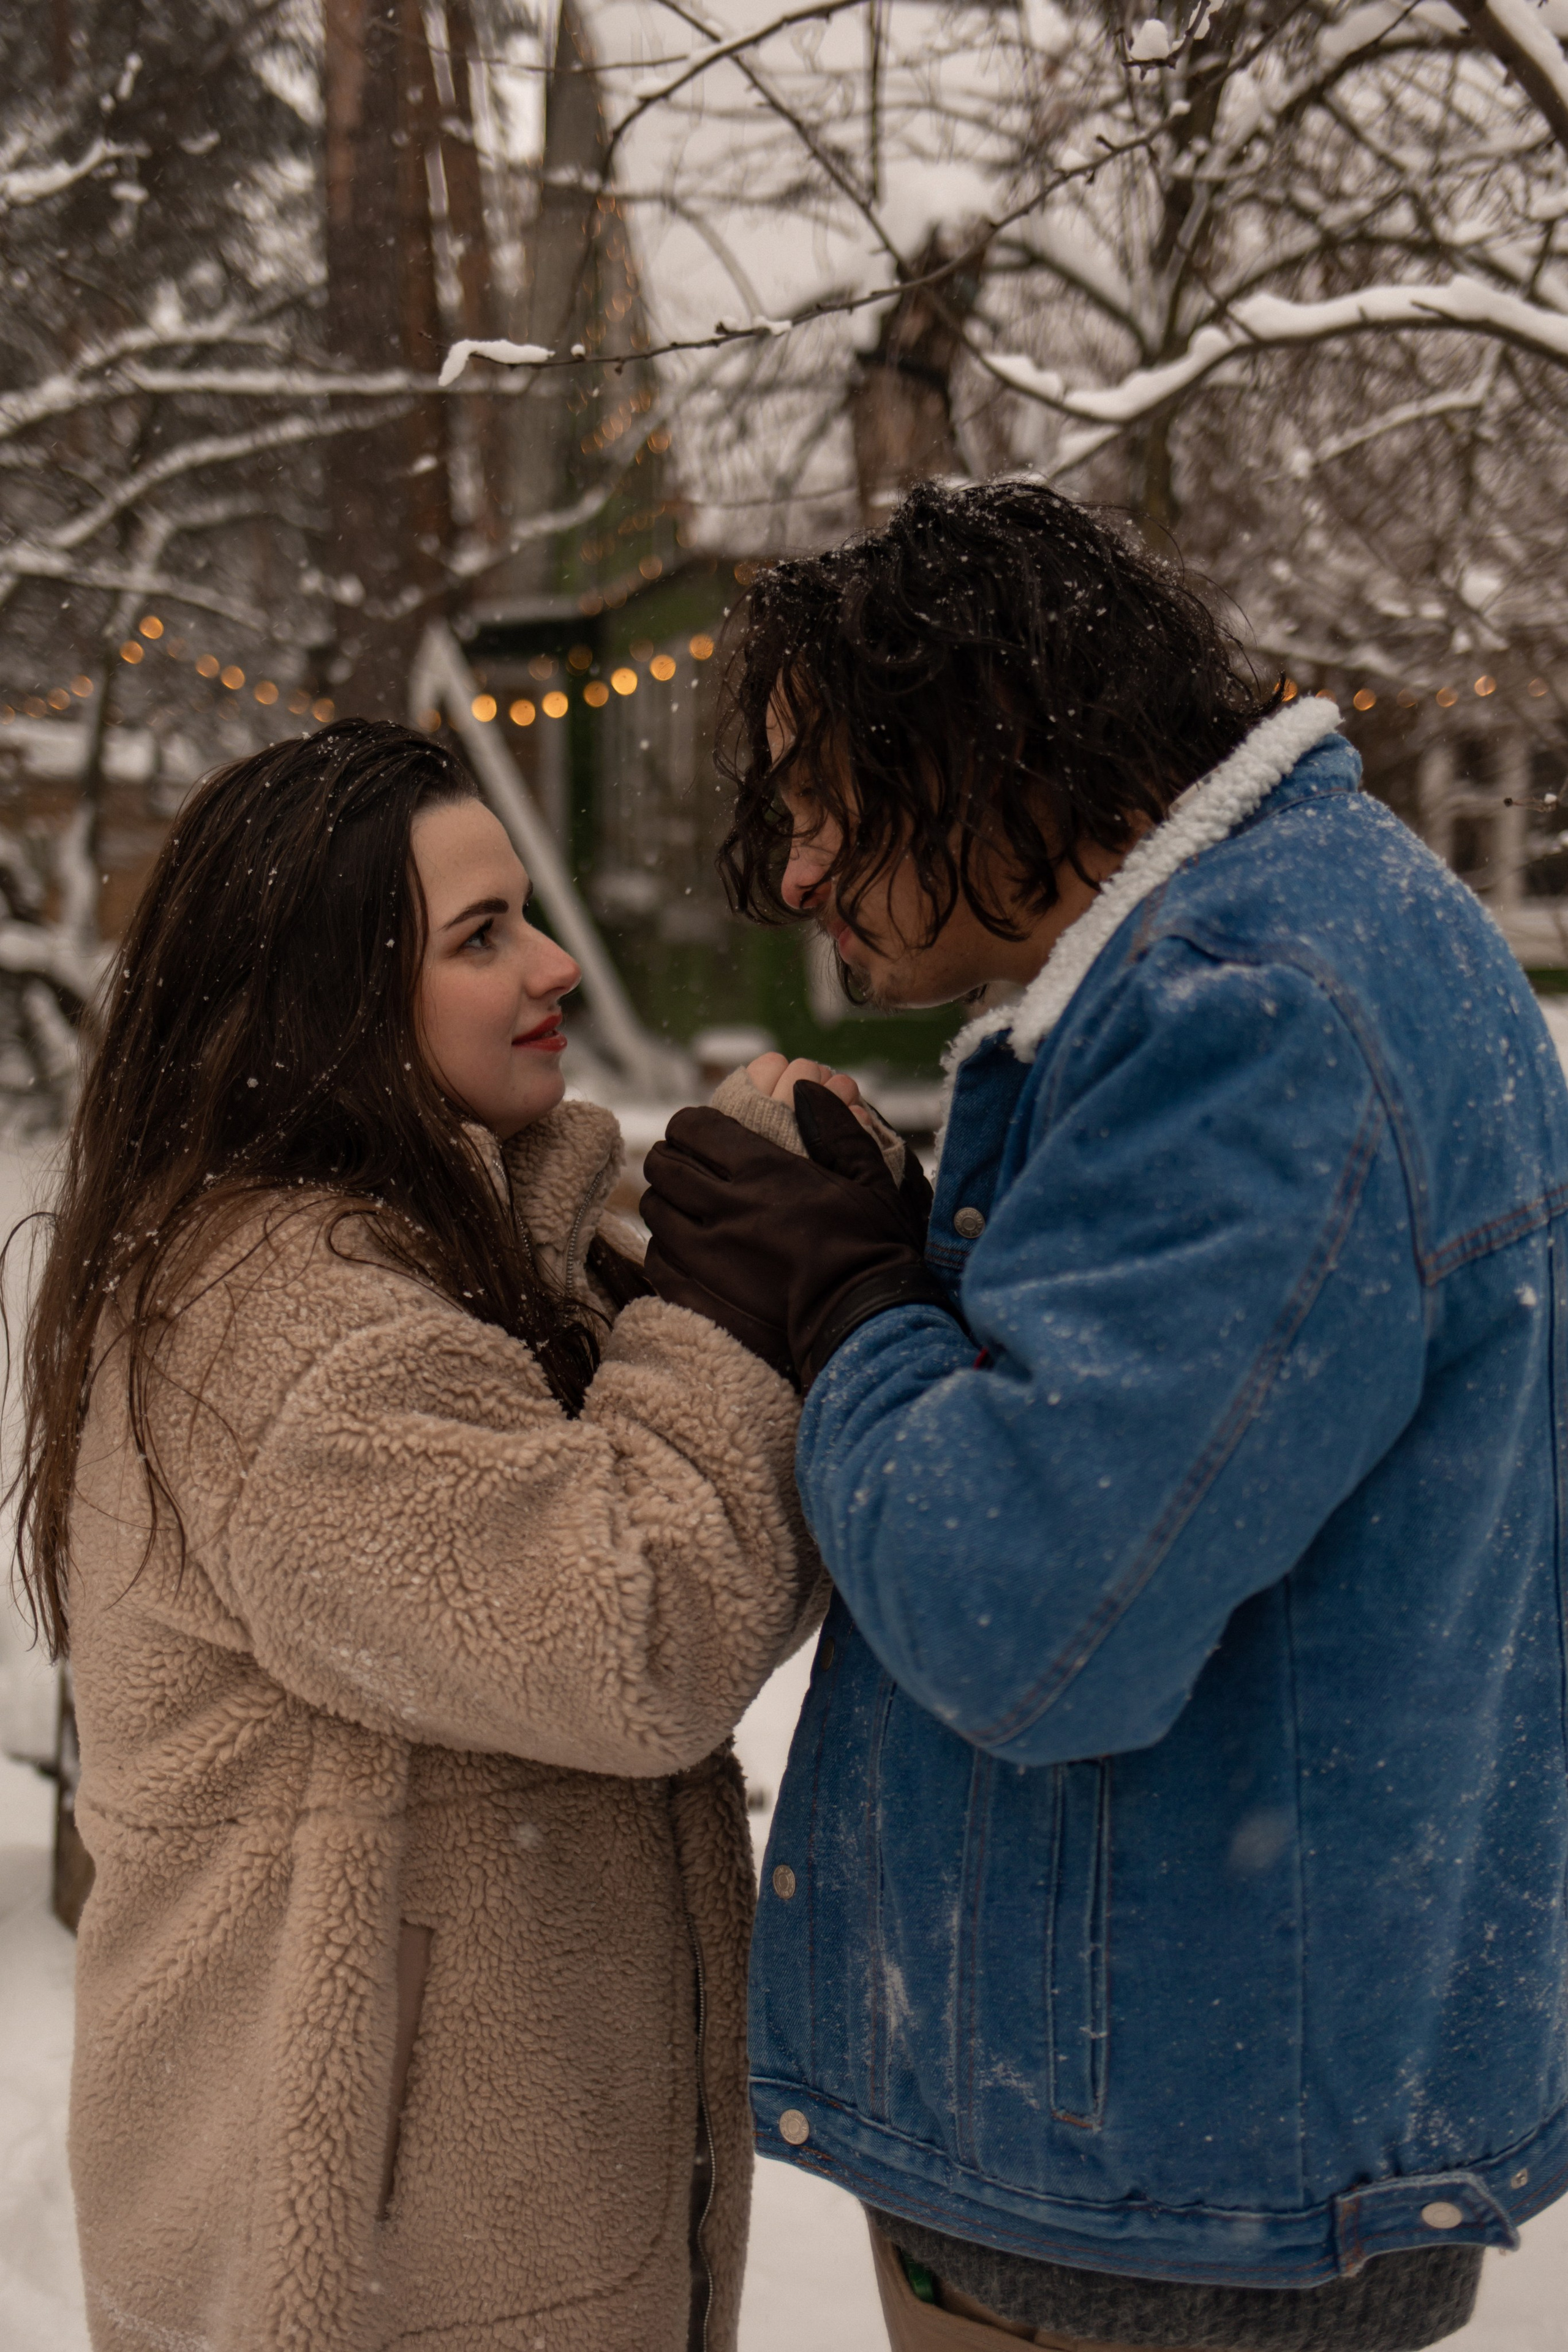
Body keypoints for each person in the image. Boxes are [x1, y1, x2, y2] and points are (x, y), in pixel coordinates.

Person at [641, 478, 1568, 2352]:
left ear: (995, 751)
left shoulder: (1256, 1016)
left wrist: (847, 1298)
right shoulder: (1290, 949)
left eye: (825, 804)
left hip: (1171, 2196)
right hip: (1198, 2129)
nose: (800, 875)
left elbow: (1027, 1612)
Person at [10, 718, 827, 2352]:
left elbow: (716, 1547)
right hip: (371, 2279)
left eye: (526, 913)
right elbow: (645, 1634)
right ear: (330, 1002)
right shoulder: (292, 1334)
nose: (552, 968)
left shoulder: (456, 1267)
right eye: (480, 937)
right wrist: (727, 1300)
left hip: (481, 2237)